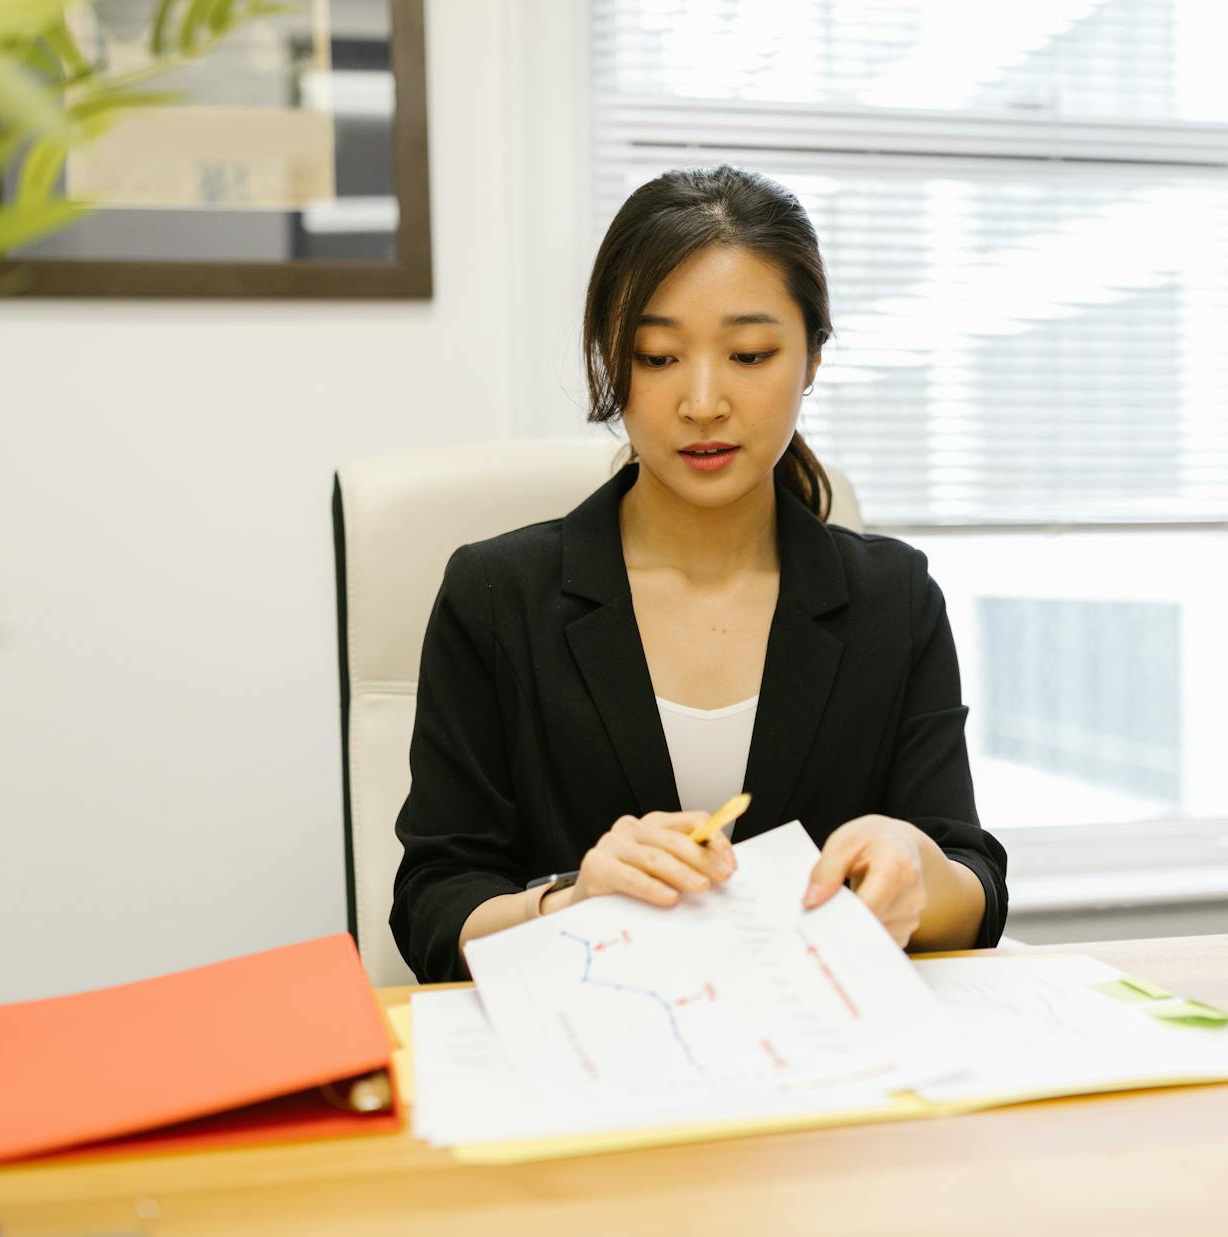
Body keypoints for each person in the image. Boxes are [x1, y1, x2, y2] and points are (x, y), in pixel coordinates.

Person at [391, 165, 1007, 983]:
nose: (704, 401)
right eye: (658, 356)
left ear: (813, 358)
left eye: (750, 353)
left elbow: (973, 881)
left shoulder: (891, 600)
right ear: (614, 359)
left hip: (831, 1058)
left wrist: (914, 868)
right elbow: (434, 902)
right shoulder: (496, 597)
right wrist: (570, 903)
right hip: (594, 1051)